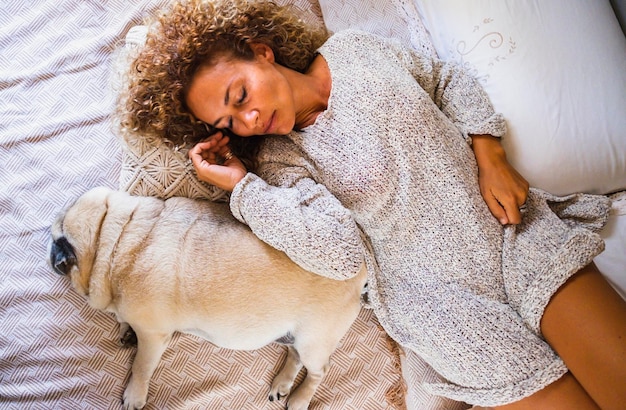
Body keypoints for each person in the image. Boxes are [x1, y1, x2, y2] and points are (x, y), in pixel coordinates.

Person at [117, 0, 626, 408]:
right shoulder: (279, 162)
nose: (246, 121)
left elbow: (445, 80)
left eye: (239, 95)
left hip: (512, 231)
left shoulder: (355, 51)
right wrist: (244, 189)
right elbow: (340, 254)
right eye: (228, 124)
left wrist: (489, 153)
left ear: (261, 51)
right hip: (441, 304)